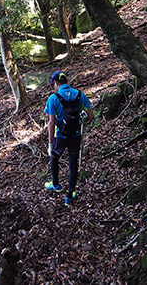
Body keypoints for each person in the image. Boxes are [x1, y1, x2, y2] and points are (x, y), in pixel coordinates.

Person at [44, 70, 94, 205]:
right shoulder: (79, 95)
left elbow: (51, 123)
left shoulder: (53, 98)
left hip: (60, 136)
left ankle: (56, 184)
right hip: (75, 136)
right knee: (73, 163)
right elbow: (91, 116)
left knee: (54, 157)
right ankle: (69, 195)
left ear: (55, 83)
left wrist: (50, 144)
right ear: (66, 81)